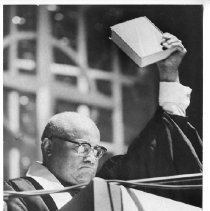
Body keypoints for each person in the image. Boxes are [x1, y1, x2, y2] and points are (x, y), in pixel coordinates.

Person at [4, 33, 202, 210]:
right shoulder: (15, 194)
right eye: (82, 147)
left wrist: (168, 74)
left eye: (96, 150)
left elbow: (155, 146)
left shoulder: (106, 187)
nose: (91, 158)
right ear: (48, 146)